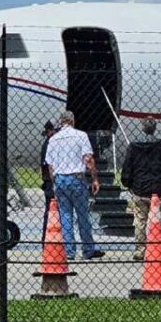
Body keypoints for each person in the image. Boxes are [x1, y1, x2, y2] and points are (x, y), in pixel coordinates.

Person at [43, 111, 103, 260]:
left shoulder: (53, 139)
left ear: (61, 122)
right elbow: (88, 159)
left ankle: (69, 251)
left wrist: (55, 181)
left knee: (65, 216)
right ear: (73, 121)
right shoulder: (81, 136)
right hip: (76, 178)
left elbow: (50, 165)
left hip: (60, 179)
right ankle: (88, 249)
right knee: (82, 215)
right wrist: (95, 178)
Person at [120, 116, 161, 261]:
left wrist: (128, 184)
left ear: (142, 127)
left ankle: (141, 250)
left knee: (140, 220)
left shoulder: (133, 146)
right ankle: (159, 249)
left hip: (140, 189)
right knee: (158, 221)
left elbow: (127, 168)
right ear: (154, 129)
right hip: (159, 189)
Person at [39, 121, 57, 242]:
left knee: (50, 212)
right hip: (51, 182)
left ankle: (47, 239)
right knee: (53, 212)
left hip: (49, 182)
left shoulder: (48, 143)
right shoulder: (51, 143)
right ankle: (49, 239)